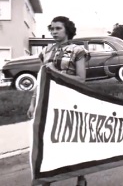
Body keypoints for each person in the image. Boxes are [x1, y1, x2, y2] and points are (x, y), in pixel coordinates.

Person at [27, 16, 89, 186]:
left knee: (73, 140)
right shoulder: (45, 51)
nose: (54, 32)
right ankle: (46, 179)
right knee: (49, 141)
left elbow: (81, 79)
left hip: (72, 102)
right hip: (50, 102)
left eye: (58, 28)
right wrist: (33, 102)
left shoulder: (78, 51)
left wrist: (56, 71)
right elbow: (41, 79)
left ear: (67, 30)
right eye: (52, 29)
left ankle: (81, 177)